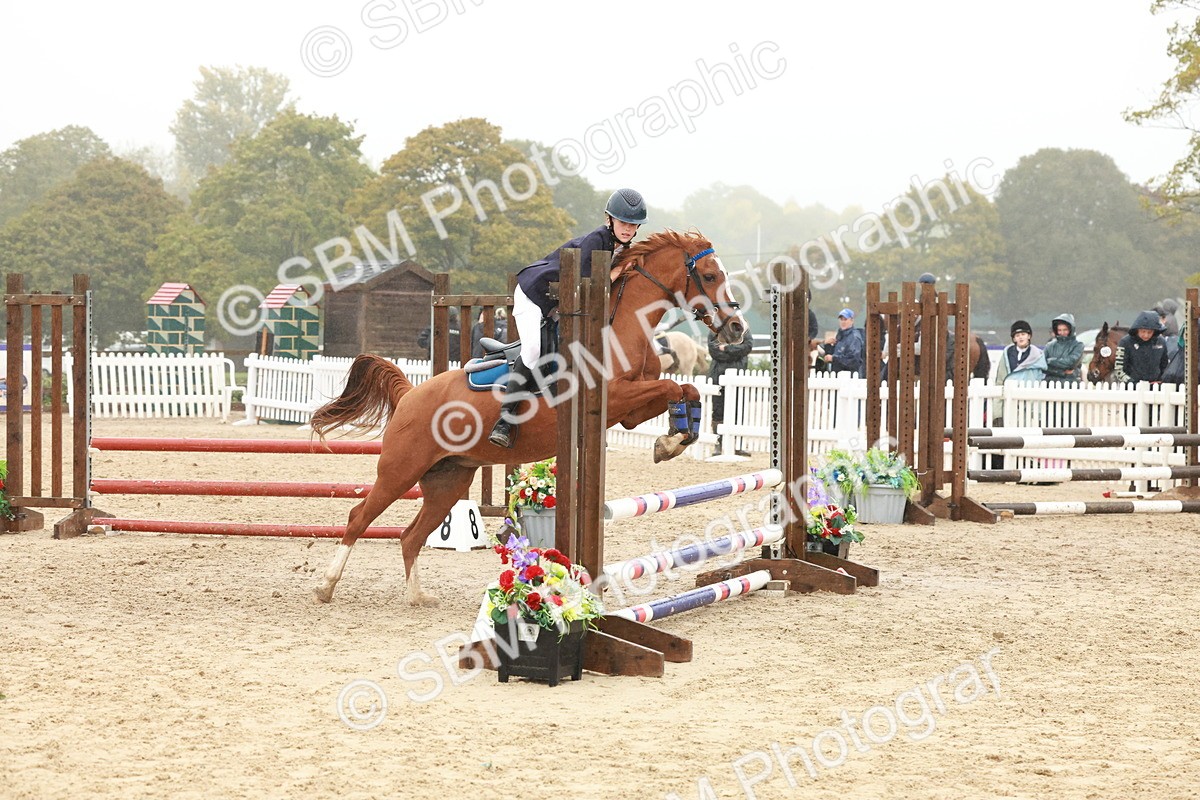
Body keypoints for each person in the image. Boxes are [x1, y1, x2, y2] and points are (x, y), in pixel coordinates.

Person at [488, 188, 647, 448]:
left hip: (559, 301)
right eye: (623, 222)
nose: (628, 228)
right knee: (532, 351)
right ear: (610, 219)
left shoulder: (619, 247)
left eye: (633, 224)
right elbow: (586, 288)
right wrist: (618, 271)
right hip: (533, 294)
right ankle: (504, 421)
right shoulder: (597, 241)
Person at [707, 327, 754, 457]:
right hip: (718, 375)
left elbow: (747, 347)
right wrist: (735, 353)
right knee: (718, 412)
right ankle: (718, 445)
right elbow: (714, 351)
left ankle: (738, 446)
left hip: (739, 375)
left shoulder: (743, 330)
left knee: (738, 412)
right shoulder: (715, 330)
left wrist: (727, 349)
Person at [992, 320, 1047, 429]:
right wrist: (997, 414)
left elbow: (1039, 384)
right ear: (1014, 339)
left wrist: (1038, 414)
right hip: (1009, 402)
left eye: (1023, 334)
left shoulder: (1038, 356)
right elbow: (1000, 382)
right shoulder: (1007, 355)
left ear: (1029, 336)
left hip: (1028, 402)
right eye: (1017, 335)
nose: (1020, 337)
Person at [1113, 310, 1169, 385]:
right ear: (1137, 329)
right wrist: (1132, 383)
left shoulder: (1161, 341)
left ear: (1155, 331)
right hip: (1131, 388)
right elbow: (1118, 370)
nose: (1146, 335)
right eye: (1143, 331)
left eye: (1149, 332)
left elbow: (1165, 366)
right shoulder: (1125, 342)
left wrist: (1161, 380)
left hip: (1155, 387)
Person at [820, 308, 866, 375]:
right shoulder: (840, 336)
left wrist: (833, 358)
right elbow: (835, 354)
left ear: (852, 320)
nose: (843, 322)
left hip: (850, 377)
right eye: (841, 319)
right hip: (837, 375)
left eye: (845, 319)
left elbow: (854, 360)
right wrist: (828, 345)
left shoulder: (854, 337)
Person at [1042, 313, 1084, 383]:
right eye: (1059, 330)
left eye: (1065, 330)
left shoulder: (1078, 345)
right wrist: (1062, 372)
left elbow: (1070, 362)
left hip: (1070, 383)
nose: (1062, 332)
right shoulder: (1049, 345)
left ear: (1071, 329)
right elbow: (1042, 365)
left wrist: (1050, 361)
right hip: (1049, 383)